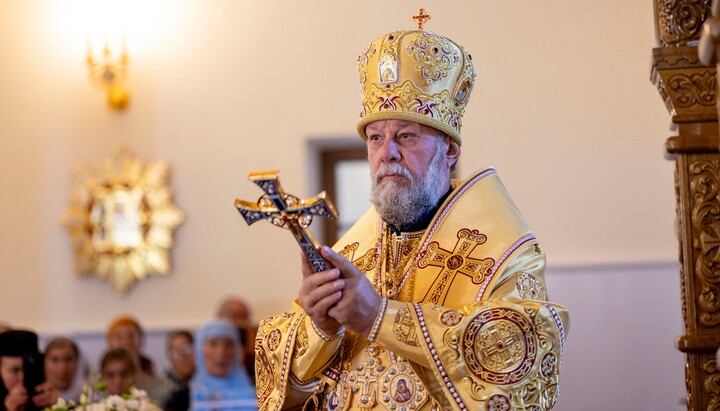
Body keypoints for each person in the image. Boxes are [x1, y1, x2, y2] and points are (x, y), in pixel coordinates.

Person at [254, 13, 569, 411]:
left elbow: (520, 358)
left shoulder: (504, 253)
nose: (387, 152)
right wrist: (320, 327)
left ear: (450, 150)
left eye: (406, 135)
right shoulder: (350, 254)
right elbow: (282, 389)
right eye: (375, 138)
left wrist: (378, 317)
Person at [188, 320, 256, 411]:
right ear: (199, 350)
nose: (221, 352)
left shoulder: (260, 394)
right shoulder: (183, 398)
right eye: (213, 344)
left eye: (228, 345)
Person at [106, 316, 173, 405]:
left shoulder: (160, 385)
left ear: (141, 339)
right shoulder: (97, 386)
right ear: (110, 342)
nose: (126, 342)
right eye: (119, 337)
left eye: (131, 336)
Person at [0, 330, 57, 411]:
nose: (22, 378)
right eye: (15, 370)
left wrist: (54, 407)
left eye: (29, 370)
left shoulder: (46, 396)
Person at [216, 297, 256, 384]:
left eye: (244, 318)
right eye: (235, 316)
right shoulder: (208, 339)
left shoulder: (250, 337)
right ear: (219, 315)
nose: (240, 322)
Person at [43, 337, 86, 402]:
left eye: (68, 359)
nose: (62, 368)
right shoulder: (33, 399)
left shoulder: (92, 397)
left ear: (77, 362)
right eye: (55, 360)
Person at [164, 330, 195, 411]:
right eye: (176, 352)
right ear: (171, 360)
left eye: (186, 349)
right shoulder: (164, 392)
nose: (183, 356)